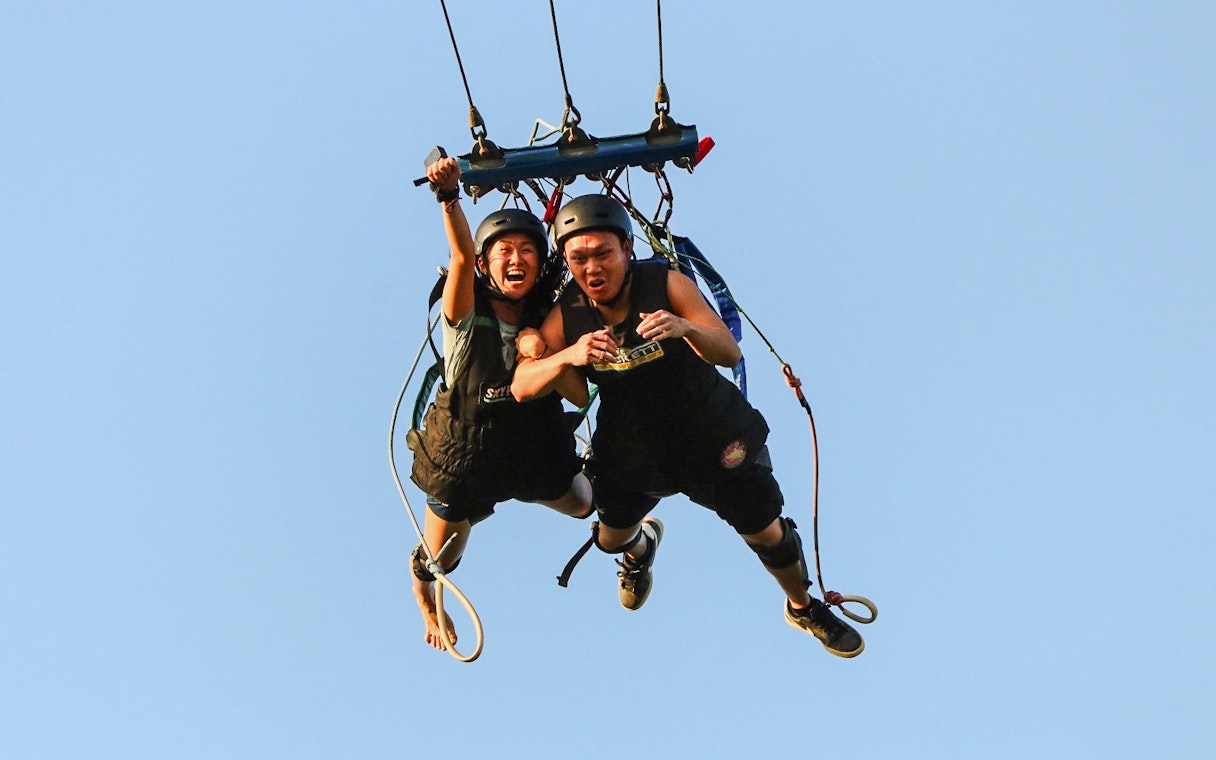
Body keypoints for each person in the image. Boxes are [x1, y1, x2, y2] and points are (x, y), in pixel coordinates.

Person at [511, 194, 864, 657]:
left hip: (711, 436)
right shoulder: (569, 313)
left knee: (765, 528)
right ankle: (640, 548)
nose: (592, 268)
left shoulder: (666, 283)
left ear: (627, 249)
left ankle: (802, 606)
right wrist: (567, 356)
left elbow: (728, 350)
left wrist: (685, 328)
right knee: (609, 538)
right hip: (634, 451)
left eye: (603, 254)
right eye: (579, 258)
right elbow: (522, 385)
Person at [407, 158, 592, 652]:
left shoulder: (551, 317)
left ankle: (637, 543)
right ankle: (426, 599)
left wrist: (548, 352)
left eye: (527, 251)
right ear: (489, 265)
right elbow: (462, 257)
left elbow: (580, 393)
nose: (517, 259)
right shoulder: (465, 314)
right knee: (442, 555)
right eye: (505, 251)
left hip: (532, 447)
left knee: (584, 503)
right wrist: (449, 196)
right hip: (463, 455)